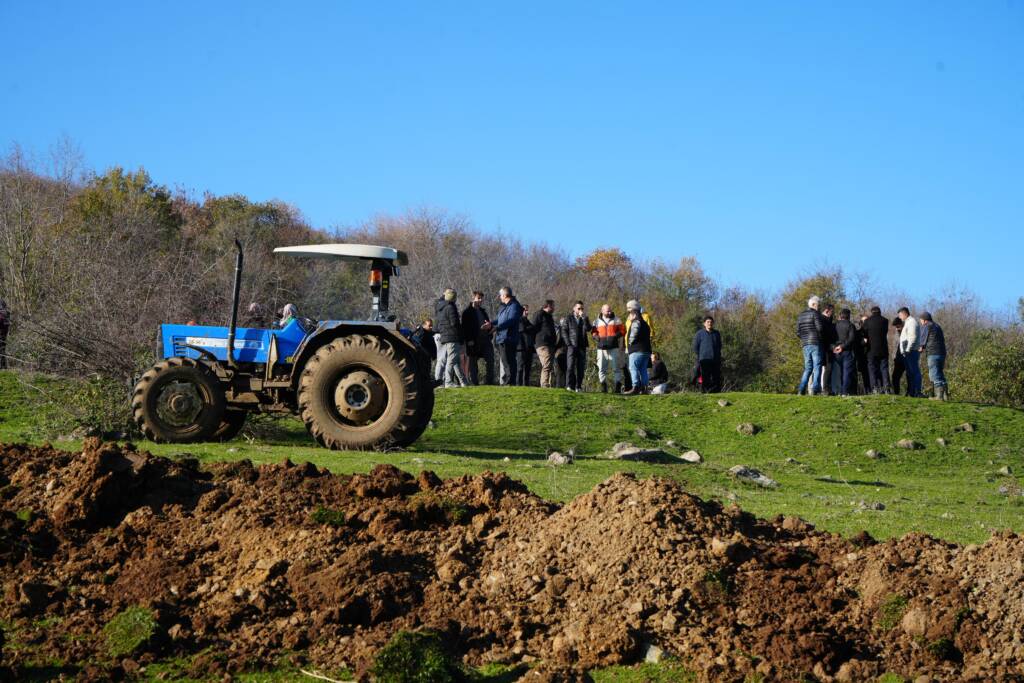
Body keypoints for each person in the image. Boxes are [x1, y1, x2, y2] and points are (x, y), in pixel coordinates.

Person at [434, 289, 468, 388]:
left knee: (450, 359)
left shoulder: (440, 307)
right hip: (451, 335)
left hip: (444, 335)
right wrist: (460, 334)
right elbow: (454, 323)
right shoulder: (450, 307)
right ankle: (448, 382)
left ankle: (462, 381)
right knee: (451, 359)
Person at [462, 291, 495, 385]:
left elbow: (489, 324)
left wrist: (490, 327)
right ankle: (475, 383)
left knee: (490, 360)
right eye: (478, 298)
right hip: (473, 341)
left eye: (481, 299)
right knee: (473, 363)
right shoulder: (467, 312)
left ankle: (489, 383)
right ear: (473, 298)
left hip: (485, 339)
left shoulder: (483, 312)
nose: (480, 300)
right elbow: (465, 328)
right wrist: (469, 340)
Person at [493, 287, 524, 386]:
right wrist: (490, 324)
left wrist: (497, 328)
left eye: (501, 295)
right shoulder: (504, 307)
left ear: (505, 295)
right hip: (502, 337)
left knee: (509, 361)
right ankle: (508, 380)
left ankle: (510, 382)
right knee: (505, 361)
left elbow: (511, 320)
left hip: (509, 338)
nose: (500, 297)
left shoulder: (514, 306)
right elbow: (499, 320)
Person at [796, 296, 825, 395]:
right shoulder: (815, 314)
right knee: (817, 366)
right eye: (818, 305)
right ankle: (815, 389)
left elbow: (798, 332)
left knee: (808, 367)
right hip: (815, 343)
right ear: (813, 304)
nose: (819, 307)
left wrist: (804, 338)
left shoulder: (800, 316)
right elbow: (820, 328)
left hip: (805, 344)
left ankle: (801, 389)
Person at [593, 304, 625, 393]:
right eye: (608, 311)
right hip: (601, 348)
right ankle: (603, 386)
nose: (610, 312)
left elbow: (623, 330)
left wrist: (616, 336)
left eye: (610, 310)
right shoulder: (596, 321)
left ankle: (618, 386)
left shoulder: (617, 320)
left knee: (616, 368)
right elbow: (593, 331)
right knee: (601, 368)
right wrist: (596, 337)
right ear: (602, 311)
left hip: (614, 347)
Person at [560, 301, 591, 391]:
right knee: (570, 366)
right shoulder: (568, 318)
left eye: (582, 308)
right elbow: (564, 331)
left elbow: (589, 328)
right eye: (579, 308)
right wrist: (568, 343)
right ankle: (569, 385)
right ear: (574, 308)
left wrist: (584, 318)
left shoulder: (584, 318)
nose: (580, 310)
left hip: (582, 346)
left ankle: (579, 386)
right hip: (572, 346)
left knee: (580, 367)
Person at [918, 312, 948, 400]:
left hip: (933, 352)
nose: (920, 322)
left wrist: (920, 347)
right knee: (940, 373)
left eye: (920, 320)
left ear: (924, 320)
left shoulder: (926, 326)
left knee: (934, 373)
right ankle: (946, 395)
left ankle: (939, 396)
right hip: (942, 353)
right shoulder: (937, 326)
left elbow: (923, 338)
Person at [624, 301, 652, 394]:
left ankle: (635, 387)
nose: (629, 316)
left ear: (634, 313)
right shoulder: (646, 324)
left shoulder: (636, 322)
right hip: (646, 350)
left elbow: (634, 334)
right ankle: (644, 388)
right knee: (643, 369)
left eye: (630, 313)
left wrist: (630, 343)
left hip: (636, 350)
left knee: (633, 368)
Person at [862, 306, 891, 394]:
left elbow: (864, 333)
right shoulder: (885, 321)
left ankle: (874, 388)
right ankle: (886, 388)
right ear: (880, 312)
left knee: (872, 368)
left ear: (872, 312)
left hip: (871, 349)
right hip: (883, 349)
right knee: (884, 368)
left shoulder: (867, 321)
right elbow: (885, 332)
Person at [692, 315, 723, 393]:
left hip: (715, 359)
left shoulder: (717, 333)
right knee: (705, 377)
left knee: (716, 377)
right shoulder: (699, 333)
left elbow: (719, 345)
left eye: (711, 322)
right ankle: (705, 392)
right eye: (708, 322)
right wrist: (700, 356)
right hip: (704, 360)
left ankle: (716, 392)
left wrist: (718, 356)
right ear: (704, 323)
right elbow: (695, 347)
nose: (710, 323)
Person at [831, 308, 857, 397]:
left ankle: (838, 390)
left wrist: (835, 347)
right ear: (848, 316)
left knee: (840, 372)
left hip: (836, 351)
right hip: (847, 351)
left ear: (840, 315)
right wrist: (842, 347)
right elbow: (852, 339)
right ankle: (845, 392)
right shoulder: (851, 325)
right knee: (847, 372)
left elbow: (831, 338)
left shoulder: (834, 326)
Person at [897, 307, 922, 397]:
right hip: (908, 352)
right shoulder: (908, 322)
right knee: (910, 373)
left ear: (904, 314)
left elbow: (912, 337)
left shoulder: (911, 322)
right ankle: (912, 392)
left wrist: (907, 349)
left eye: (900, 315)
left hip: (911, 351)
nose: (900, 318)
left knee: (914, 372)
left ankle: (917, 391)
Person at [532, 300, 558, 388]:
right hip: (542, 343)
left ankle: (548, 384)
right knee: (546, 363)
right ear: (548, 306)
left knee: (549, 364)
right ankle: (544, 384)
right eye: (553, 306)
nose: (554, 308)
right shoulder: (539, 314)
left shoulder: (549, 317)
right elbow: (534, 327)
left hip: (550, 344)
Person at [819, 304, 837, 396]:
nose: (832, 314)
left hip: (828, 347)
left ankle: (827, 388)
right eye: (831, 312)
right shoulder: (822, 320)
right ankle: (825, 388)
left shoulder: (826, 321)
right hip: (826, 347)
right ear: (827, 311)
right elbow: (824, 335)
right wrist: (831, 346)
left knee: (828, 368)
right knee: (827, 368)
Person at [891, 317, 908, 396]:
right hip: (897, 358)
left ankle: (910, 392)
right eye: (896, 327)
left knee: (910, 376)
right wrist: (894, 356)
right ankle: (896, 393)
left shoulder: (907, 330)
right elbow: (895, 345)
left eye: (898, 326)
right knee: (895, 377)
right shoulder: (896, 332)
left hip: (906, 357)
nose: (897, 328)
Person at [0, 299, 10, 370]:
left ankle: (3, 368)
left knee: (2, 349)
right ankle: (3, 367)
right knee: (2, 349)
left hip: (2, 330)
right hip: (4, 331)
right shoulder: (2, 302)